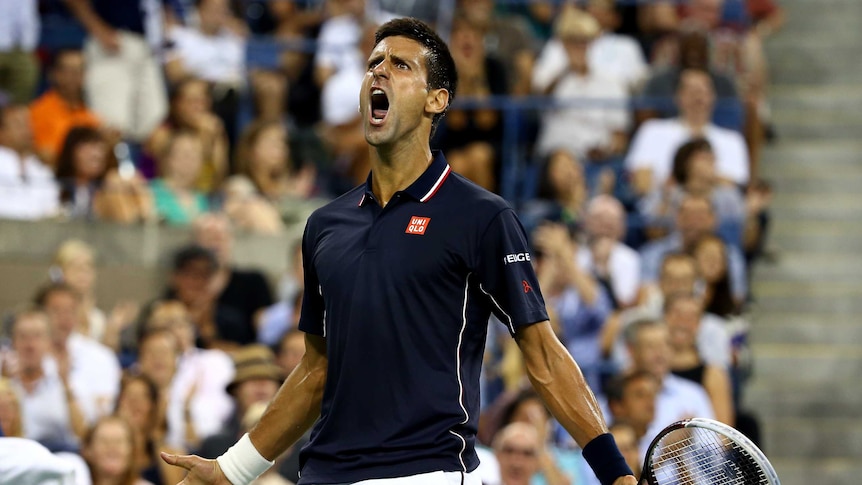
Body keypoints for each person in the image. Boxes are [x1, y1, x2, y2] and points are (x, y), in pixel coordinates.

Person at [161, 18, 636, 485]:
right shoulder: (324, 226)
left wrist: (615, 474)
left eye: (401, 65)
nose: (379, 72)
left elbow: (544, 356)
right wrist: (233, 469)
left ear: (437, 100)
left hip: (427, 471)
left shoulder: (482, 217)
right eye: (373, 63)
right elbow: (316, 368)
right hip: (324, 474)